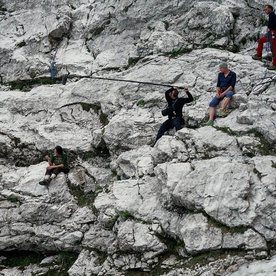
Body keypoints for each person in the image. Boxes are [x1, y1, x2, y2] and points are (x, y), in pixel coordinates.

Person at [252, 4, 276, 70]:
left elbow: (275, 22)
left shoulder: (272, 15)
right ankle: (258, 55)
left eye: (266, 9)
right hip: (272, 33)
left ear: (270, 9)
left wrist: (270, 28)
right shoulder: (271, 15)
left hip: (273, 33)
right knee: (261, 41)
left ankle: (274, 65)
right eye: (265, 9)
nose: (265, 10)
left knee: (274, 48)